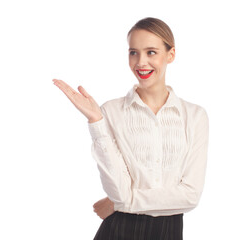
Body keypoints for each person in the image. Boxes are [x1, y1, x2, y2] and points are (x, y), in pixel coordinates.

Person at [52, 17, 209, 240]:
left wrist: (120, 203)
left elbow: (190, 196)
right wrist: (96, 121)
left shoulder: (195, 116)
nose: (140, 62)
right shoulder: (110, 112)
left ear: (170, 54)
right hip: (117, 231)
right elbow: (118, 191)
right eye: (133, 52)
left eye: (151, 52)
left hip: (169, 233)